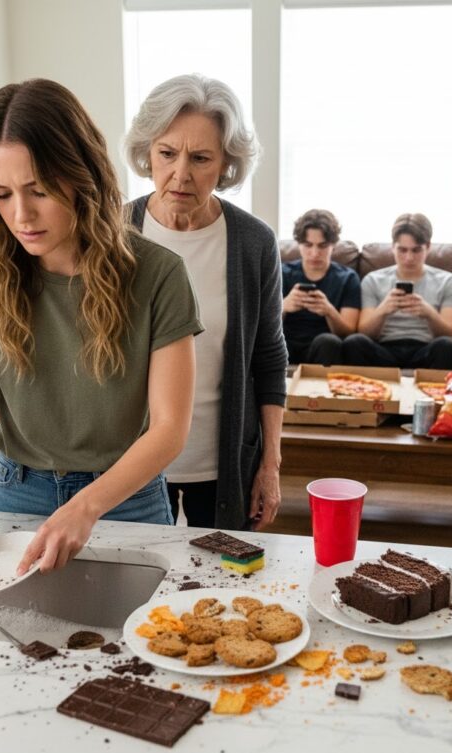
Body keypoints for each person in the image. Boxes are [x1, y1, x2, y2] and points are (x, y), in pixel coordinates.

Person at [0, 79, 202, 576]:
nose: (20, 215)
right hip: (16, 491)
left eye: (39, 191)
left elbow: (168, 429)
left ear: (81, 177)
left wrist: (87, 505)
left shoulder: (158, 274)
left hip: (127, 497)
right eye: (2, 195)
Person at [124, 74, 288, 532]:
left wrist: (270, 465)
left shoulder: (253, 242)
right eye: (167, 153)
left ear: (226, 164)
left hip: (222, 465)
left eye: (200, 158)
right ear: (147, 152)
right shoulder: (111, 234)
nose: (181, 174)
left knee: (217, 592)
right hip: (128, 465)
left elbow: (269, 358)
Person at [343, 213, 452, 369]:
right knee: (354, 342)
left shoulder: (448, 281)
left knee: (448, 346)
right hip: (384, 348)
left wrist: (429, 313)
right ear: (392, 247)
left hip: (426, 348)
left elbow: (451, 335)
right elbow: (364, 332)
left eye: (416, 250)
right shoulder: (373, 280)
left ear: (428, 247)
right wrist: (383, 310)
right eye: (402, 250)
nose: (409, 258)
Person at [281, 209, 360, 365]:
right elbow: (260, 326)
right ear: (299, 244)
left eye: (322, 246)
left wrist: (329, 311)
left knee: (328, 342)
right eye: (308, 245)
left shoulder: (347, 278)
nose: (315, 253)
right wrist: (283, 307)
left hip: (323, 346)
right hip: (286, 343)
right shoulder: (282, 273)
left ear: (333, 245)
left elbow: (348, 332)